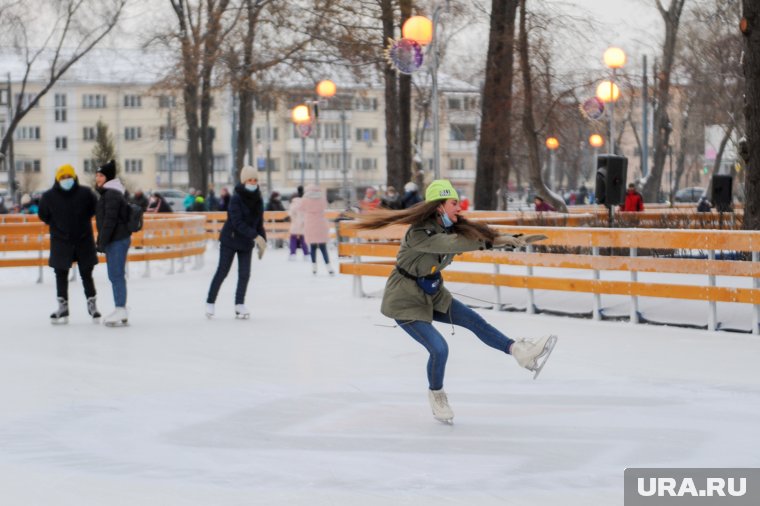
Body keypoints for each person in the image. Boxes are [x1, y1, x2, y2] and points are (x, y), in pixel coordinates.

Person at [351, 179, 556, 424]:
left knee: (474, 321)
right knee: (439, 348)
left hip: (433, 291)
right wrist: (497, 241)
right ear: (439, 206)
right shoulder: (419, 233)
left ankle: (520, 352)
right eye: (453, 203)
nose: (459, 208)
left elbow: (473, 237)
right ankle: (437, 396)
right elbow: (454, 244)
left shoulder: (450, 227)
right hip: (404, 298)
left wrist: (511, 238)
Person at [38, 164, 100, 324]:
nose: (66, 180)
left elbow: (95, 209)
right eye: (63, 177)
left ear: (74, 177)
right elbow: (43, 215)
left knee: (86, 272)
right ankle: (62, 306)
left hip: (83, 239)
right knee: (61, 273)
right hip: (61, 241)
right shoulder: (49, 197)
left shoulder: (85, 193)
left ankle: (92, 304)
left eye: (69, 177)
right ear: (58, 179)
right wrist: (57, 224)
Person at [205, 166, 267, 319]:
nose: (253, 182)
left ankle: (239, 304)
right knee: (223, 271)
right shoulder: (236, 198)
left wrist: (262, 240)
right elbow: (237, 222)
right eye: (250, 180)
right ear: (244, 181)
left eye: (255, 180)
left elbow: (259, 222)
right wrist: (255, 237)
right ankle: (210, 302)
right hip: (230, 240)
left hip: (246, 241)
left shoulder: (258, 199)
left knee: (245, 274)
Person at [94, 160, 132, 327]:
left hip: (117, 239)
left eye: (101, 175)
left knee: (115, 275)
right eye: (97, 175)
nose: (98, 178)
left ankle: (120, 308)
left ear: (108, 177)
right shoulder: (111, 192)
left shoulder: (111, 194)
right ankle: (121, 307)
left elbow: (109, 220)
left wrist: (101, 241)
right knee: (116, 275)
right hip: (117, 238)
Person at [301, 184, 334, 275]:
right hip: (321, 224)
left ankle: (314, 268)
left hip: (310, 224)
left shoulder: (305, 198)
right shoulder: (322, 198)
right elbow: (325, 206)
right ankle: (329, 267)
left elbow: (301, 208)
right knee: (323, 247)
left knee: (312, 247)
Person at [288, 186, 309, 260]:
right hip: (303, 224)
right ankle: (306, 254)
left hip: (295, 224)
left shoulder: (294, 203)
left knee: (293, 238)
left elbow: (290, 214)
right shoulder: (305, 202)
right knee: (303, 239)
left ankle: (293, 254)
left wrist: (294, 220)